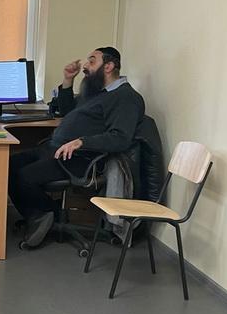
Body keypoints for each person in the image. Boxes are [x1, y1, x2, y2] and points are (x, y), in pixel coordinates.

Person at [8, 47, 145, 247]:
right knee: (7, 166)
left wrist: (82, 141)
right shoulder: (97, 92)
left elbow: (120, 138)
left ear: (108, 66)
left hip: (81, 159)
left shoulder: (125, 97)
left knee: (24, 177)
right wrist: (67, 80)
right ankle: (41, 214)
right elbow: (67, 111)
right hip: (55, 149)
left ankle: (46, 215)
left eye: (92, 61)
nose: (86, 67)